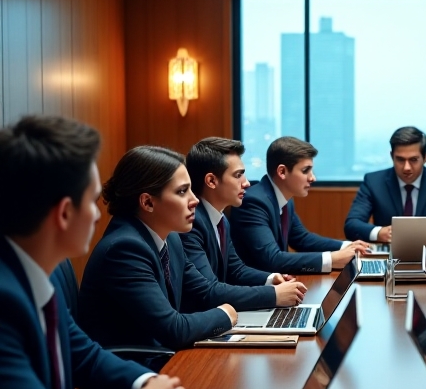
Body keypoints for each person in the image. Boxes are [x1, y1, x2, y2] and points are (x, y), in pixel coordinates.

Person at [0, 115, 185, 389]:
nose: (100, 214)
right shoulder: (5, 302)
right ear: (64, 213)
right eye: (91, 200)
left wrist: (145, 382)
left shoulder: (36, 273)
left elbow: (83, 354)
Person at [79, 146, 303, 353]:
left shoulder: (171, 239)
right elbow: (173, 329)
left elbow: (204, 290)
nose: (195, 200)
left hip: (166, 356)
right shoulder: (125, 249)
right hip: (138, 370)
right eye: (182, 192)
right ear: (147, 203)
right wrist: (225, 314)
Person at [181, 137, 305, 304]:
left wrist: (271, 278)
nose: (246, 183)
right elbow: (209, 290)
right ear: (211, 181)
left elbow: (236, 270)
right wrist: (273, 295)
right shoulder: (191, 223)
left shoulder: (221, 219)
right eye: (238, 175)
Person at [230, 136, 370, 274]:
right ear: (282, 172)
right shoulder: (253, 202)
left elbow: (301, 239)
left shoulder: (284, 199)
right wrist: (331, 259)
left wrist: (347, 246)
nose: (312, 178)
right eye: (305, 171)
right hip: (253, 289)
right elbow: (272, 259)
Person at [344, 126, 426, 243]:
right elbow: (352, 224)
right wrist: (379, 233)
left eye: (413, 160)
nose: (406, 167)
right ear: (392, 156)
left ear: (425, 158)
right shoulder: (374, 182)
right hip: (388, 255)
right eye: (400, 160)